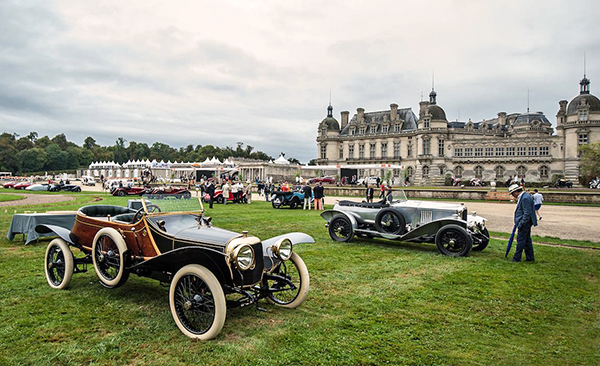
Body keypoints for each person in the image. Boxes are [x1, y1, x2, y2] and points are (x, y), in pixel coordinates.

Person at [509, 184, 537, 262]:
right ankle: (530, 258)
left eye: (512, 193)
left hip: (525, 223)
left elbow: (527, 213)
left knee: (520, 240)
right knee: (527, 241)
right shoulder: (524, 197)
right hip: (525, 222)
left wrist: (521, 223)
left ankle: (517, 258)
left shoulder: (525, 198)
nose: (512, 195)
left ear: (516, 192)